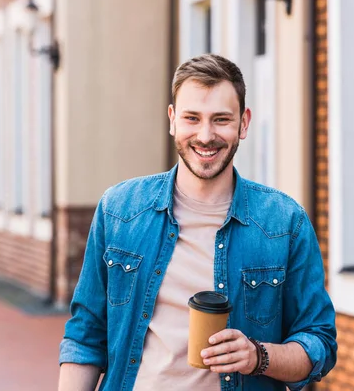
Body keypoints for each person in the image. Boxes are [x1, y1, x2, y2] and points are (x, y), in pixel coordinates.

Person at [58, 54, 337, 391]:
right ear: (173, 119)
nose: (206, 136)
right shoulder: (119, 210)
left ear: (243, 123)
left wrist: (257, 356)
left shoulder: (284, 222)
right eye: (192, 118)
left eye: (221, 119)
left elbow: (319, 343)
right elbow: (86, 335)